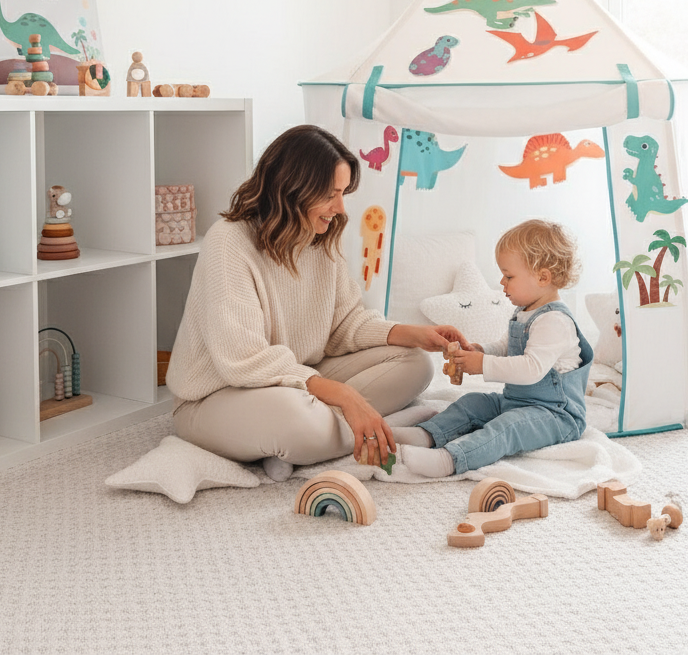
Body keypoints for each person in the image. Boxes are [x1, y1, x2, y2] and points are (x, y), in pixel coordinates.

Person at [166, 124, 466, 481]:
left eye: (343, 193)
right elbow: (244, 360)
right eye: (330, 194)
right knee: (296, 418)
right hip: (217, 397)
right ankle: (392, 430)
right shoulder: (228, 243)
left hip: (295, 378)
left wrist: (415, 334)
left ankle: (300, 444)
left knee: (415, 363)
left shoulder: (319, 238)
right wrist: (346, 397)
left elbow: (343, 325)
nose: (339, 208)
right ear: (292, 188)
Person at [394, 219, 594, 478]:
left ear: (543, 277)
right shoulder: (524, 312)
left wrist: (482, 365)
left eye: (509, 276)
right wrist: (480, 350)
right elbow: (505, 347)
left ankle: (451, 459)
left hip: (554, 416)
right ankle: (427, 434)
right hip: (516, 402)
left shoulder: (555, 321)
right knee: (472, 403)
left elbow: (531, 369)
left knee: (507, 428)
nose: (502, 282)